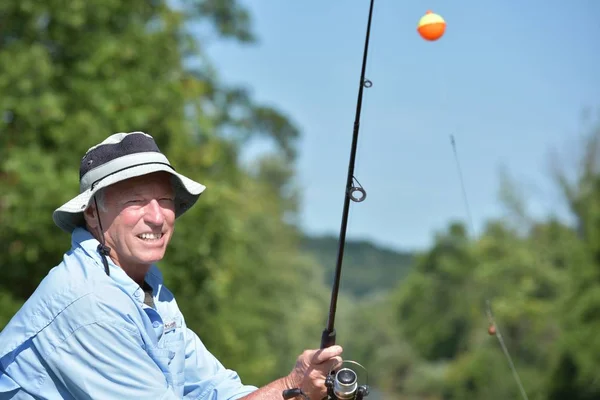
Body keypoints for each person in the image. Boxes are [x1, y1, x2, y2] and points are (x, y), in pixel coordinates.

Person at [0, 131, 343, 399]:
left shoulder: (148, 291)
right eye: (135, 201)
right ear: (92, 214)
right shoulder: (91, 304)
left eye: (165, 200)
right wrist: (293, 387)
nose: (156, 217)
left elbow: (216, 390)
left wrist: (297, 388)